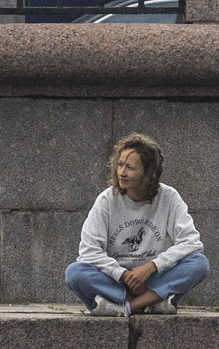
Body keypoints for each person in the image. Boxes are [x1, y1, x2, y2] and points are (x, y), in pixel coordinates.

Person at [64, 132, 210, 317]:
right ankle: (153, 302)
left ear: (149, 174)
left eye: (130, 167)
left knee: (199, 264)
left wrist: (150, 267)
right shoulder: (106, 200)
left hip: (153, 279)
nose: (121, 172)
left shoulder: (169, 197)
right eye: (120, 165)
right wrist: (124, 275)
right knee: (75, 273)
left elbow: (191, 243)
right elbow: (89, 251)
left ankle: (126, 307)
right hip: (114, 280)